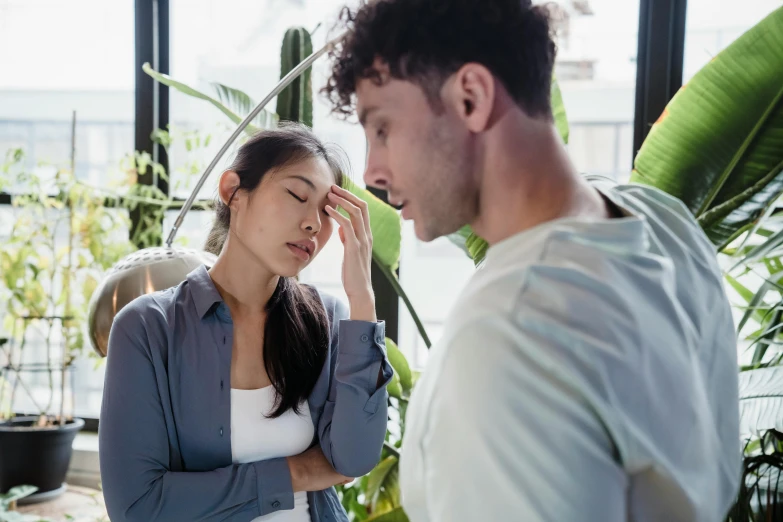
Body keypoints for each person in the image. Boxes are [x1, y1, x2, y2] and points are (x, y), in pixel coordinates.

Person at [324, 1, 741, 521]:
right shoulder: (664, 222)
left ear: (471, 98)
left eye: (382, 128)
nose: (371, 172)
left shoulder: (510, 330)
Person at [99, 123, 392, 522]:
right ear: (233, 191)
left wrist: (363, 299)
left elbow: (354, 458)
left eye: (325, 212)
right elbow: (138, 507)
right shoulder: (148, 328)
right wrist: (299, 471)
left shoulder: (330, 318)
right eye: (296, 195)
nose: (313, 224)